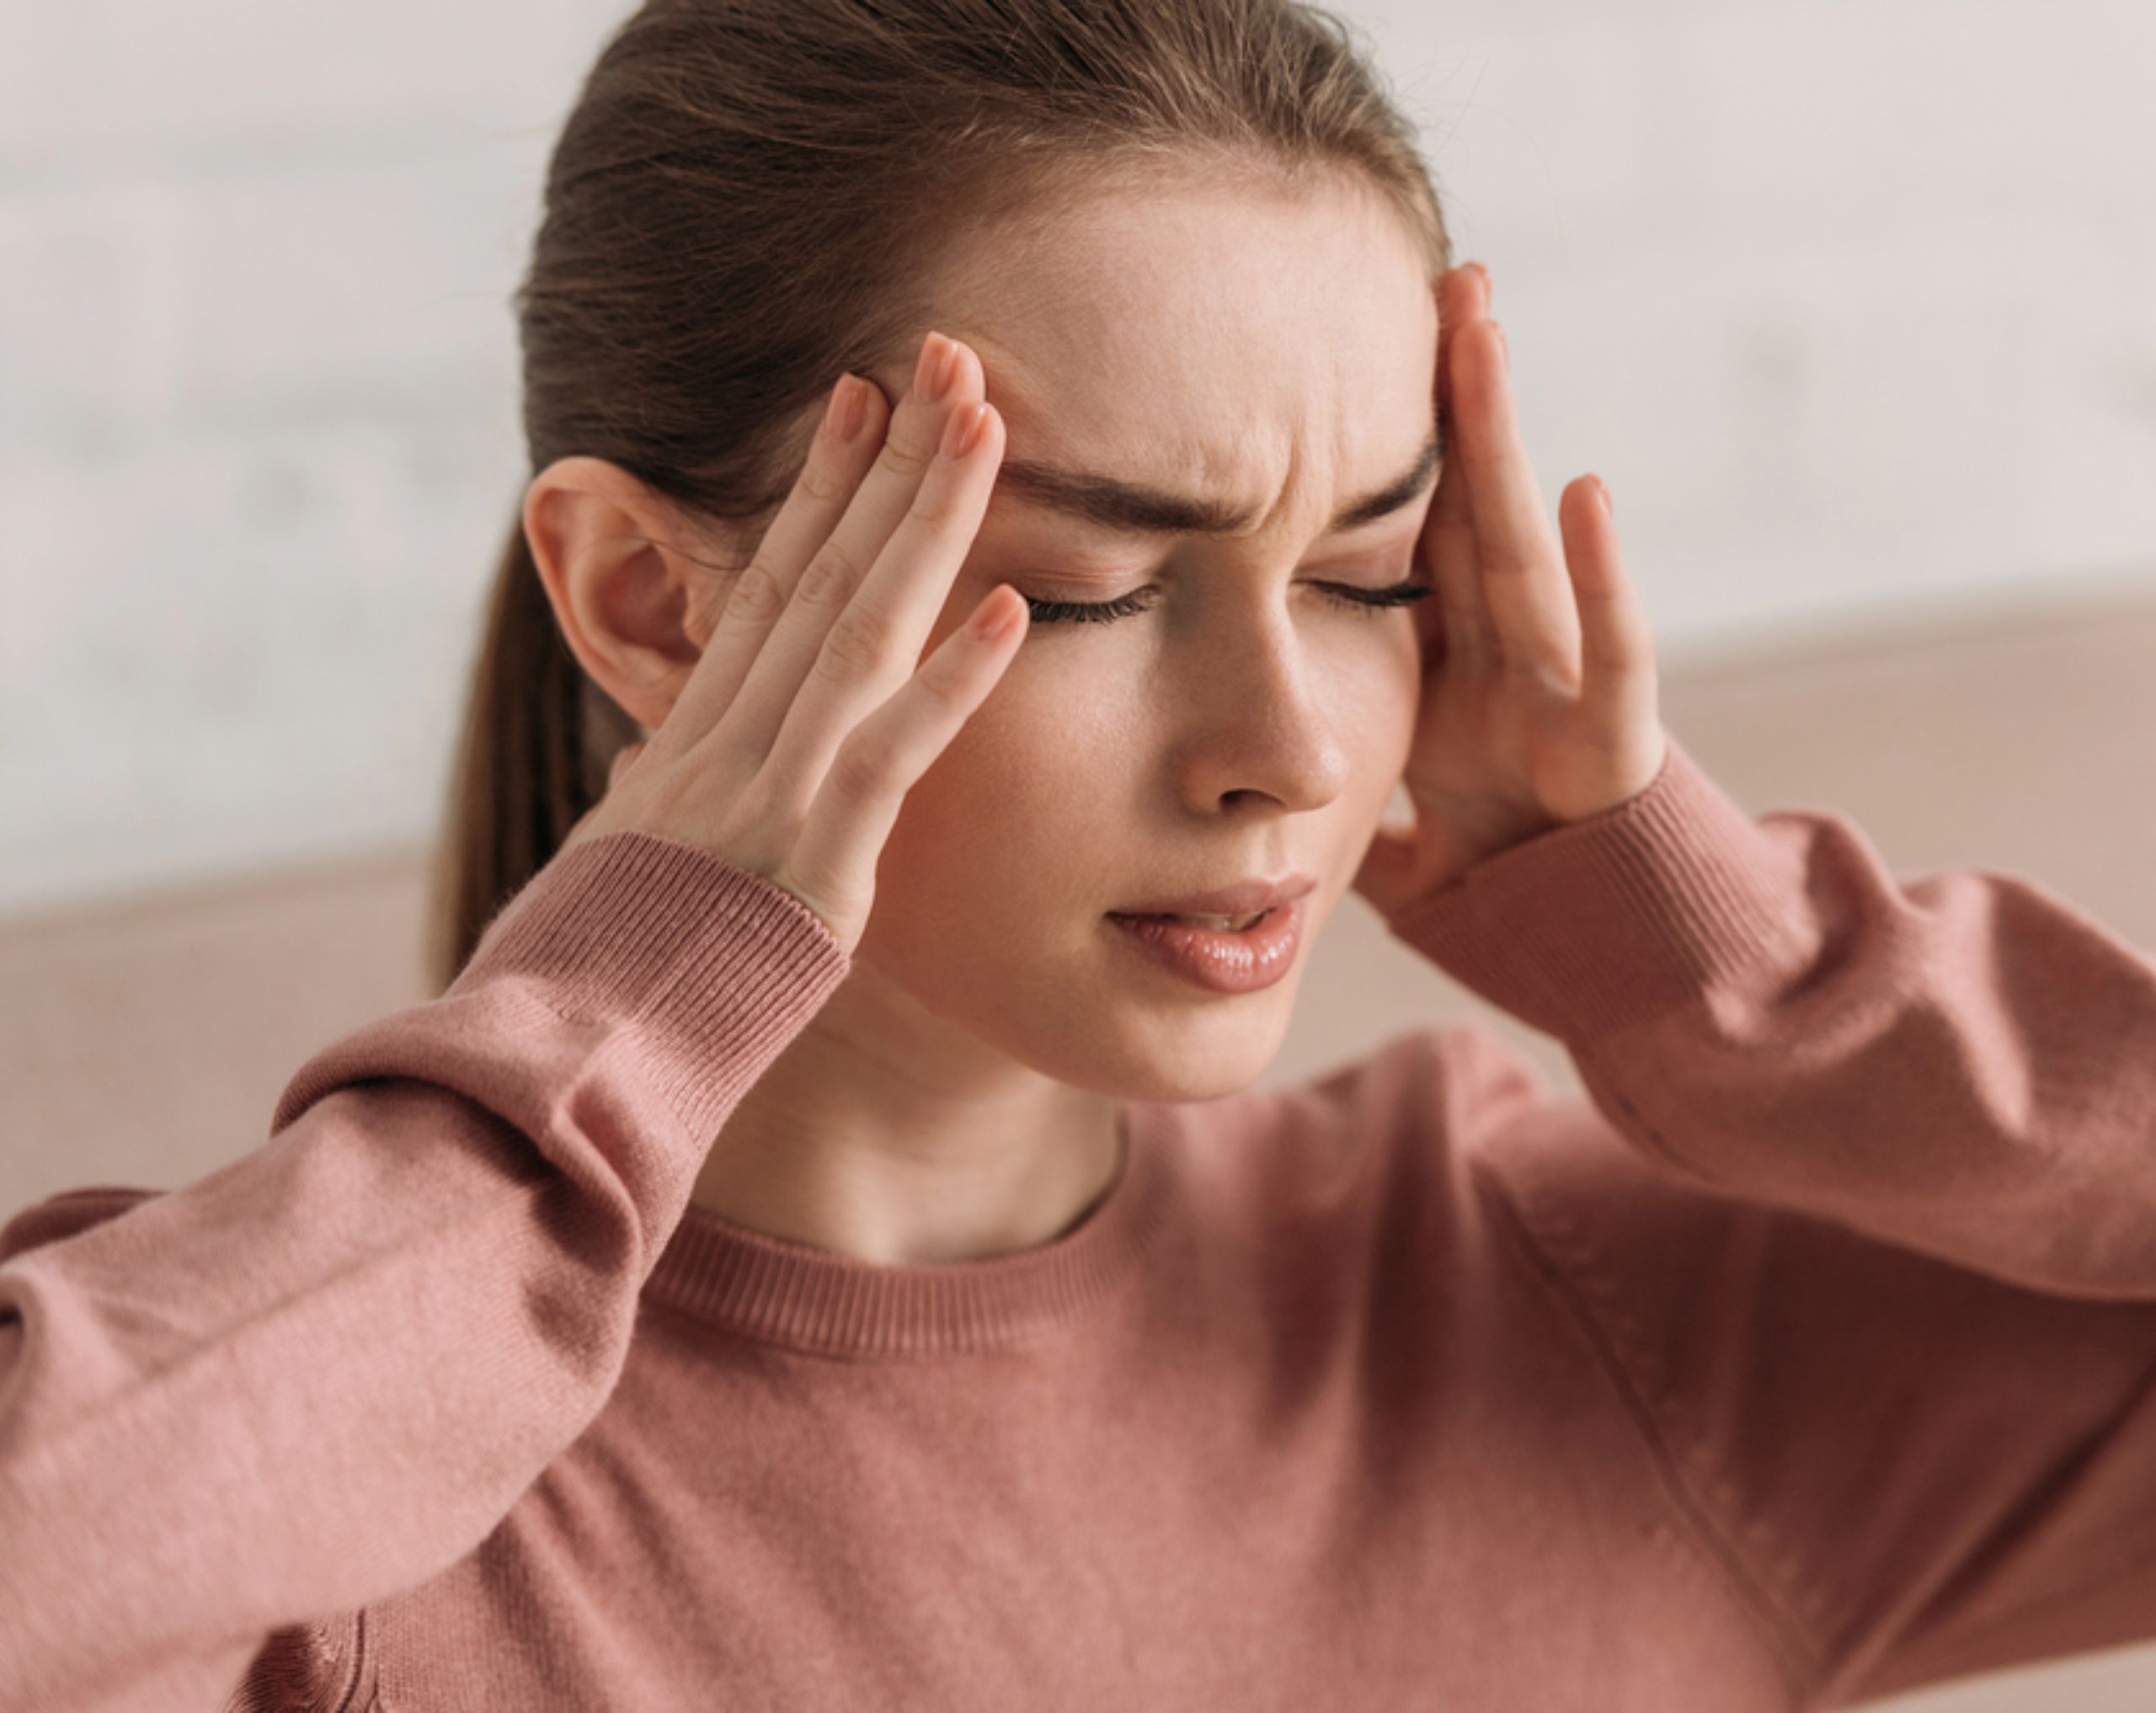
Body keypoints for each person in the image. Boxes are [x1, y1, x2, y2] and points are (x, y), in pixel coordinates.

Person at [3, 1, 2153, 1707]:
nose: (1287, 752)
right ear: (654, 605)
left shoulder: (1556, 1309)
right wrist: (626, 995)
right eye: (1102, 591)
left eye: (1369, 573)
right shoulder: (330, 1513)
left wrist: (1728, 970)